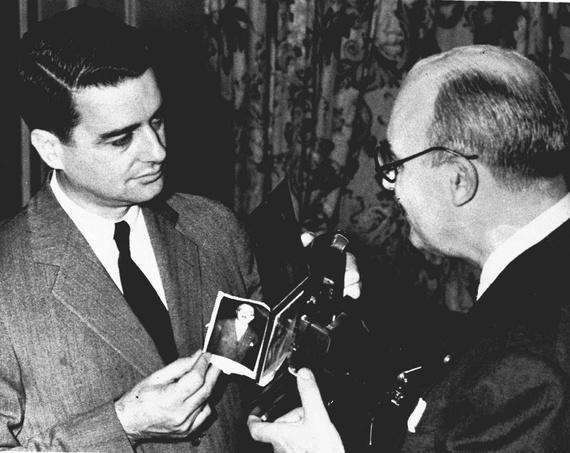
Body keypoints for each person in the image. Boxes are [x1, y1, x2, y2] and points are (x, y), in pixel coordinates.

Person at [248, 44, 570, 452]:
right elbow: (469, 343)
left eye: (395, 165)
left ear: (458, 180)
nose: (389, 186)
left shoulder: (524, 370)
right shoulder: (540, 281)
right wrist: (362, 302)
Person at [2, 6, 262, 451]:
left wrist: (318, 290)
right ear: (50, 148)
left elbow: (268, 371)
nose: (157, 151)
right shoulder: (7, 280)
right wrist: (122, 425)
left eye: (157, 120)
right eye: (121, 138)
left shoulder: (215, 225)